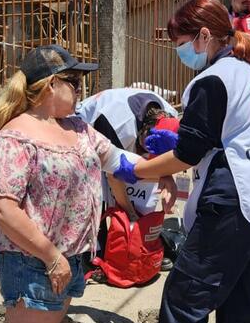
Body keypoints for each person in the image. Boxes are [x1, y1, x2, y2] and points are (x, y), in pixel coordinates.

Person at [113, 0, 250, 323]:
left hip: (236, 201)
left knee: (185, 298)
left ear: (204, 36)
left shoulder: (212, 79)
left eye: (181, 43)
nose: (179, 51)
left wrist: (136, 168)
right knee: (241, 304)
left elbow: (188, 154)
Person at [0, 45, 141, 323]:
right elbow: (2, 208)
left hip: (68, 262)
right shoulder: (16, 136)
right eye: (74, 80)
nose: (81, 88)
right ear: (51, 85)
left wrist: (170, 170)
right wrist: (52, 257)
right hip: (34, 264)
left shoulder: (78, 129)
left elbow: (123, 164)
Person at [75, 88, 179, 222]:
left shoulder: (171, 119)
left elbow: (163, 165)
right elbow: (114, 177)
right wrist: (131, 216)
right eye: (146, 149)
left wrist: (166, 177)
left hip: (119, 124)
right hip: (81, 142)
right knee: (95, 210)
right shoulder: (117, 124)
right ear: (143, 132)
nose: (145, 154)